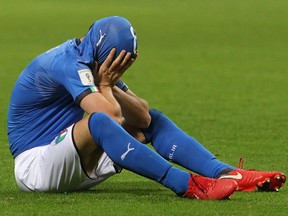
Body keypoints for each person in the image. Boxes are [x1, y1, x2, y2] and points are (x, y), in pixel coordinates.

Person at [7, 16, 285, 200]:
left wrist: (109, 83)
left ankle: (226, 173)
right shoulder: (68, 64)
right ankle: (188, 185)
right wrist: (105, 85)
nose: (119, 68)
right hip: (37, 167)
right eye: (116, 62)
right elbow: (111, 118)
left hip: (69, 158)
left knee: (153, 121)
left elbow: (142, 116)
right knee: (101, 123)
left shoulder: (90, 57)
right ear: (104, 56)